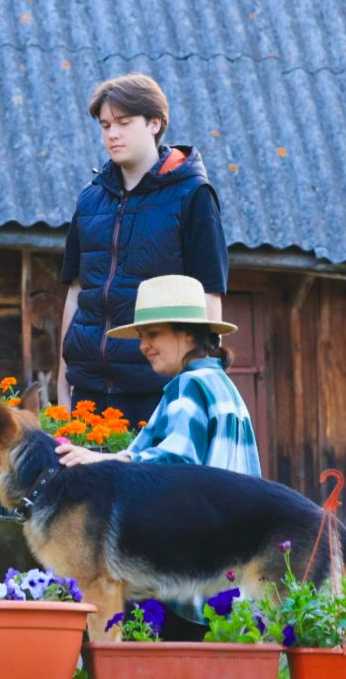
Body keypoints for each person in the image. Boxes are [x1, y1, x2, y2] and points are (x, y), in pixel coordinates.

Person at [58, 73, 229, 426]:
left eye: (123, 123)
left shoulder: (193, 196)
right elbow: (77, 293)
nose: (112, 134)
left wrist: (196, 389)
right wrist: (64, 383)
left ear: (154, 122)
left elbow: (208, 296)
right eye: (105, 125)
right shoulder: (90, 200)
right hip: (88, 394)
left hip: (160, 393)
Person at [52, 274, 258, 475]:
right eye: (141, 337)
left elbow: (175, 463)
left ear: (187, 332)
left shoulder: (189, 384)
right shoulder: (220, 382)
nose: (143, 346)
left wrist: (99, 459)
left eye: (153, 334)